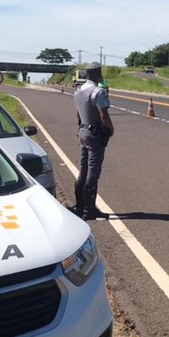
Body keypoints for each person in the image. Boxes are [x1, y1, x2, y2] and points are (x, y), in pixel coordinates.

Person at [73, 62, 115, 220]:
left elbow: (78, 115)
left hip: (83, 130)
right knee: (93, 171)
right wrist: (111, 129)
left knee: (83, 170)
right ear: (98, 74)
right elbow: (104, 116)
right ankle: (89, 209)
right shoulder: (98, 92)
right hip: (95, 134)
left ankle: (80, 205)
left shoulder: (78, 91)